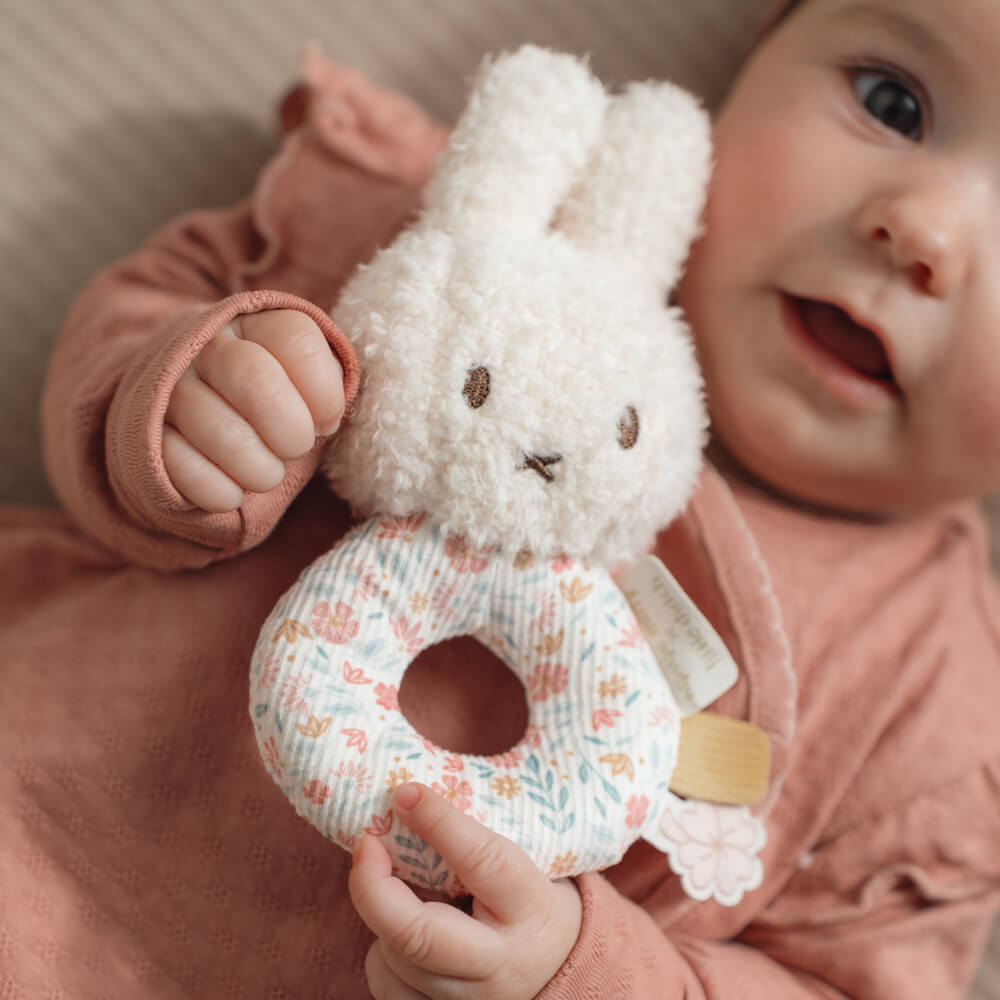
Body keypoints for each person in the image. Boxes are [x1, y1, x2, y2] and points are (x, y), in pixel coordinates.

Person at [2, 0, 999, 996]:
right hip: (45, 813)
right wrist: (193, 401)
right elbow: (155, 301)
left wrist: (583, 969)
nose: (921, 231)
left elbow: (847, 983)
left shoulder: (942, 698)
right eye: (891, 102)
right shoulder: (447, 241)